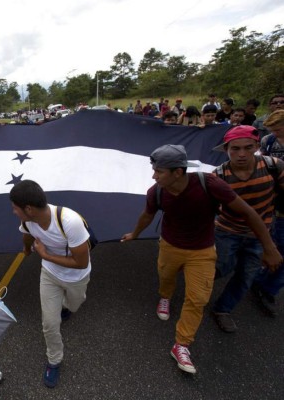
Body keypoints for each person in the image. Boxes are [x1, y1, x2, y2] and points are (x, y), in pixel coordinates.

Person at [121, 144, 281, 374]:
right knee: (165, 278)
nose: (154, 175)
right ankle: (165, 296)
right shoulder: (156, 191)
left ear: (178, 172)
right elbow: (147, 215)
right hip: (169, 246)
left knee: (197, 299)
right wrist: (134, 234)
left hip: (203, 251)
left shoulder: (210, 184)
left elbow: (248, 212)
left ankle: (182, 344)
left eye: (159, 171)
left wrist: (268, 246)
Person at [9, 180, 91, 388]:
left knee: (75, 304)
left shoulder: (69, 221)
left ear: (28, 209)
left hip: (76, 277)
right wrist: (27, 251)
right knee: (49, 323)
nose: (13, 212)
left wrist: (45, 255)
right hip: (49, 275)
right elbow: (27, 235)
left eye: (15, 208)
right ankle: (54, 360)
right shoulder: (28, 221)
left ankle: (67, 307)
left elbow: (81, 263)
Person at [211, 125, 284, 333]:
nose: (241, 154)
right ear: (226, 149)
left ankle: (223, 309)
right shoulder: (219, 177)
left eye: (247, 147)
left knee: (246, 276)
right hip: (227, 232)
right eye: (235, 149)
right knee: (220, 267)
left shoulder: (273, 166)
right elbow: (208, 208)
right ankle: (197, 287)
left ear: (256, 146)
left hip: (259, 235)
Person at [253, 110, 284, 316]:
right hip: (275, 200)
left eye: (279, 129)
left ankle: (267, 287)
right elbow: (261, 163)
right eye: (273, 130)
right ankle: (260, 280)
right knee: (275, 244)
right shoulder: (269, 141)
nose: (276, 133)